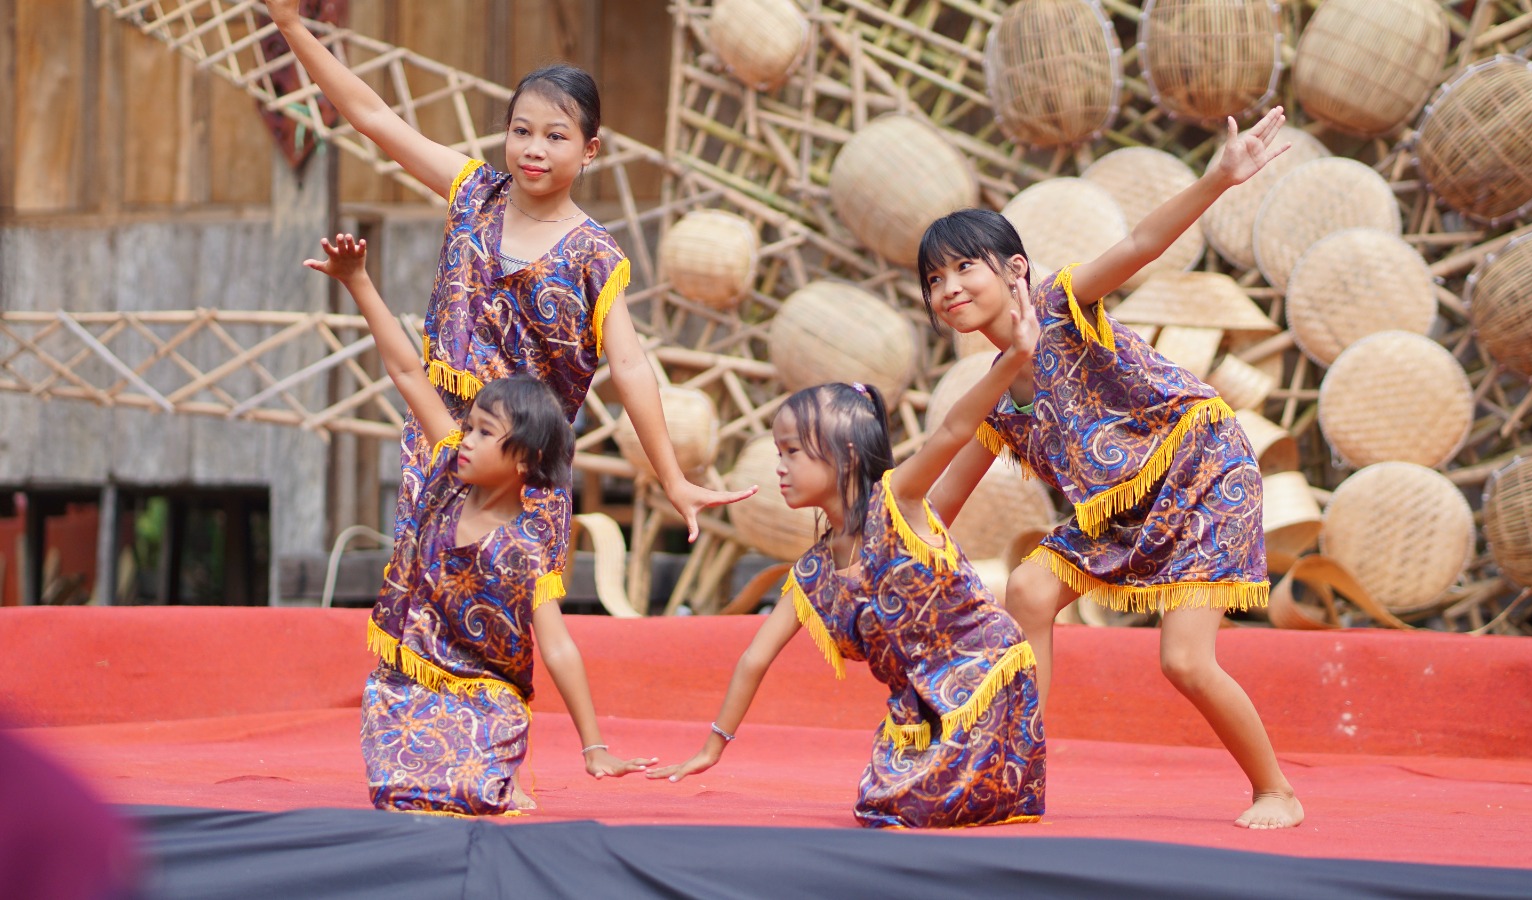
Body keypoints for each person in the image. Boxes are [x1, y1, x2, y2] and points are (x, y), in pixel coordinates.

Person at [915, 109, 1302, 830]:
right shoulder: (997, 395)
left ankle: (1276, 788)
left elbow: (1140, 241)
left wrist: (1219, 176)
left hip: (1203, 472)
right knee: (1028, 588)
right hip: (1123, 513)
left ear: (1015, 269)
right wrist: (875, 555)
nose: (949, 287)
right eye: (935, 279)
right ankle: (1016, 765)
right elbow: (936, 499)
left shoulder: (1064, 302)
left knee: (1185, 663)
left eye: (965, 266)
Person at [265, 0, 754, 542]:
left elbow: (632, 367)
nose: (533, 149)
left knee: (513, 612)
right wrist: (290, 25)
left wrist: (672, 477)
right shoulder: (474, 192)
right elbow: (374, 117)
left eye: (556, 136)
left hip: (525, 467)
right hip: (441, 442)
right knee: (428, 603)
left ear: (590, 150)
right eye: (521, 131)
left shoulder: (595, 254)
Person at [647, 300, 1046, 828]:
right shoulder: (813, 572)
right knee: (875, 804)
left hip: (986, 684)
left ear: (847, 456)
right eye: (778, 451)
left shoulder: (897, 500)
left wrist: (1017, 356)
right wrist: (712, 747)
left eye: (793, 452)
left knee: (908, 808)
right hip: (918, 712)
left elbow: (952, 430)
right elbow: (754, 657)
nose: (780, 467)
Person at [306, 233, 654, 815]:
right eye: (468, 428)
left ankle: (503, 764)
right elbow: (407, 372)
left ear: (523, 460)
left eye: (484, 434)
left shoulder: (526, 550)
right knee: (399, 789)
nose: (464, 441)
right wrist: (357, 280)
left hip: (487, 693)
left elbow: (560, 649)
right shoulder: (445, 469)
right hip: (411, 683)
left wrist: (594, 747)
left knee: (472, 791)